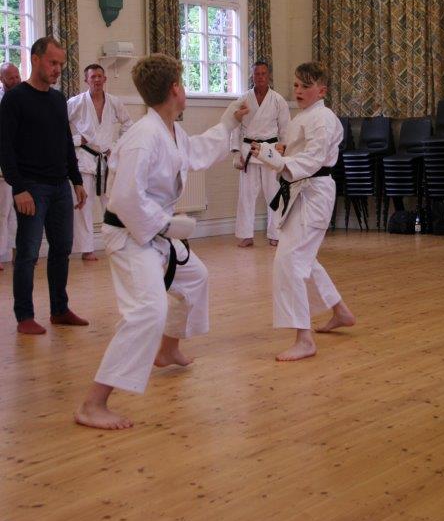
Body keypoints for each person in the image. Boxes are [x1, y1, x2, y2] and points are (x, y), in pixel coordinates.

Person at [75, 53, 248, 430]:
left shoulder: (169, 131)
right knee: (148, 311)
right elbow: (124, 198)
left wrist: (228, 121)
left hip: (152, 233)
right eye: (182, 84)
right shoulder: (144, 138)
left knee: (195, 278)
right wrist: (166, 225)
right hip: (130, 236)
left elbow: (197, 152)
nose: (184, 90)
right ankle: (93, 403)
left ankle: (168, 350)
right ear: (174, 90)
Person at [251, 61, 355, 362]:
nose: (298, 91)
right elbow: (295, 152)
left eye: (305, 86)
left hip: (314, 193)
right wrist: (276, 152)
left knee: (290, 260)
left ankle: (304, 338)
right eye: (296, 85)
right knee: (304, 258)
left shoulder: (323, 118)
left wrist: (278, 160)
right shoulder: (304, 116)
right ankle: (340, 311)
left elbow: (313, 159)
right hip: (300, 191)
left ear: (321, 91)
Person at [0, 36, 88, 335]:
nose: (57, 69)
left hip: (60, 186)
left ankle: (59, 309)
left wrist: (76, 180)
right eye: (52, 62)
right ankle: (24, 315)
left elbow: (65, 142)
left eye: (61, 64)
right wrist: (18, 187)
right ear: (35, 59)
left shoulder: (58, 99)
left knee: (62, 249)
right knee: (27, 253)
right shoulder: (14, 99)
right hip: (31, 188)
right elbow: (5, 148)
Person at [68, 63, 133, 261]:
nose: (96, 80)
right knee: (83, 205)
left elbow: (128, 124)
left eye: (99, 76)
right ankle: (86, 249)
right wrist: (77, 140)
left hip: (106, 158)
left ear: (105, 79)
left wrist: (117, 146)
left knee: (112, 204)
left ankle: (116, 244)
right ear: (86, 80)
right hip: (84, 159)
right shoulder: (75, 102)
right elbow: (57, 128)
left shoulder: (114, 102)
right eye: (92, 77)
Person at [231, 61, 290, 248]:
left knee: (273, 194)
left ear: (269, 75)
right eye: (257, 74)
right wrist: (236, 152)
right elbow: (235, 126)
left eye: (264, 73)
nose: (260, 77)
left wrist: (283, 147)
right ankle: (246, 235)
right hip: (248, 150)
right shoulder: (243, 99)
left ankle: (275, 234)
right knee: (246, 195)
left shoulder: (278, 100)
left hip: (270, 151)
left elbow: (285, 127)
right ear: (253, 75)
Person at [0, 63, 21, 269]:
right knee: (2, 210)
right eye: (10, 78)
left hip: (23, 163)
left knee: (20, 212)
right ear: (2, 79)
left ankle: (19, 253)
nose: (15, 81)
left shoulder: (26, 97)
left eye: (17, 76)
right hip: (3, 163)